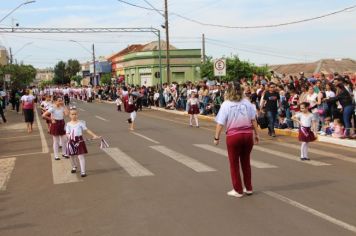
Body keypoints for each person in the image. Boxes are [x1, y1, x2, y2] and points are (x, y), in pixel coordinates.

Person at [214, 81, 259, 198]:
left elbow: (220, 123)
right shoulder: (247, 102)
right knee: (246, 162)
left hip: (234, 136)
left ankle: (238, 190)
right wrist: (257, 134)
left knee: (234, 164)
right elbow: (253, 120)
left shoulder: (226, 104)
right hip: (248, 135)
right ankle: (248, 188)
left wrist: (216, 137)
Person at [66, 107, 100, 177]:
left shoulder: (80, 123)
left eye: (75, 114)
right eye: (72, 114)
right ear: (69, 115)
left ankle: (83, 172)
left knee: (80, 156)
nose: (74, 115)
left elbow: (87, 130)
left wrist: (94, 135)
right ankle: (74, 166)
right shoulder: (68, 124)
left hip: (79, 140)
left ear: (77, 115)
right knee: (71, 156)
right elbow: (67, 133)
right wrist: (70, 137)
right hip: (71, 140)